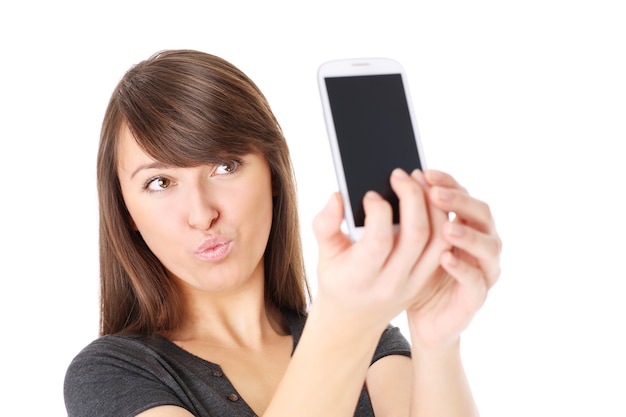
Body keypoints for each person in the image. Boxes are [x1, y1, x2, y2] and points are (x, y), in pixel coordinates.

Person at [64, 49, 501, 417]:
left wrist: (436, 343)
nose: (201, 214)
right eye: (159, 183)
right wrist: (343, 318)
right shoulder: (115, 374)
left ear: (272, 175)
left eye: (225, 166)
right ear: (127, 212)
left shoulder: (374, 345)